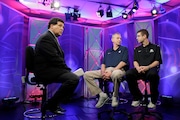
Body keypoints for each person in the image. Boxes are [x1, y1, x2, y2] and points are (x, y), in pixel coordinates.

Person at [34, 17, 79, 114]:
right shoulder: (46, 38)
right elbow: (54, 58)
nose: (62, 28)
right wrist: (67, 70)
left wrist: (66, 70)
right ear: (51, 26)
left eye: (63, 27)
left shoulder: (52, 38)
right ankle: (52, 104)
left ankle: (54, 103)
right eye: (59, 26)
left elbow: (56, 58)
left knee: (73, 78)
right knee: (73, 79)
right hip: (45, 71)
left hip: (50, 69)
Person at [83, 33, 129, 108]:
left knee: (116, 74)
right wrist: (103, 72)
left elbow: (123, 62)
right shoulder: (108, 51)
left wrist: (111, 71)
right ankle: (101, 94)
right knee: (87, 74)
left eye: (120, 38)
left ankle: (115, 96)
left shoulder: (124, 49)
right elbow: (103, 64)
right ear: (112, 39)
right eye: (117, 38)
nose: (119, 40)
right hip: (107, 70)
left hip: (118, 70)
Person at [126, 29, 162, 109]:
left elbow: (157, 61)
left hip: (150, 69)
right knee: (129, 73)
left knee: (153, 75)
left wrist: (147, 67)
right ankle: (137, 97)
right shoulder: (137, 49)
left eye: (138, 36)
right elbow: (135, 61)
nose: (137, 38)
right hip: (140, 69)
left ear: (144, 36)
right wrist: (138, 68)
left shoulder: (155, 47)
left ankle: (153, 100)